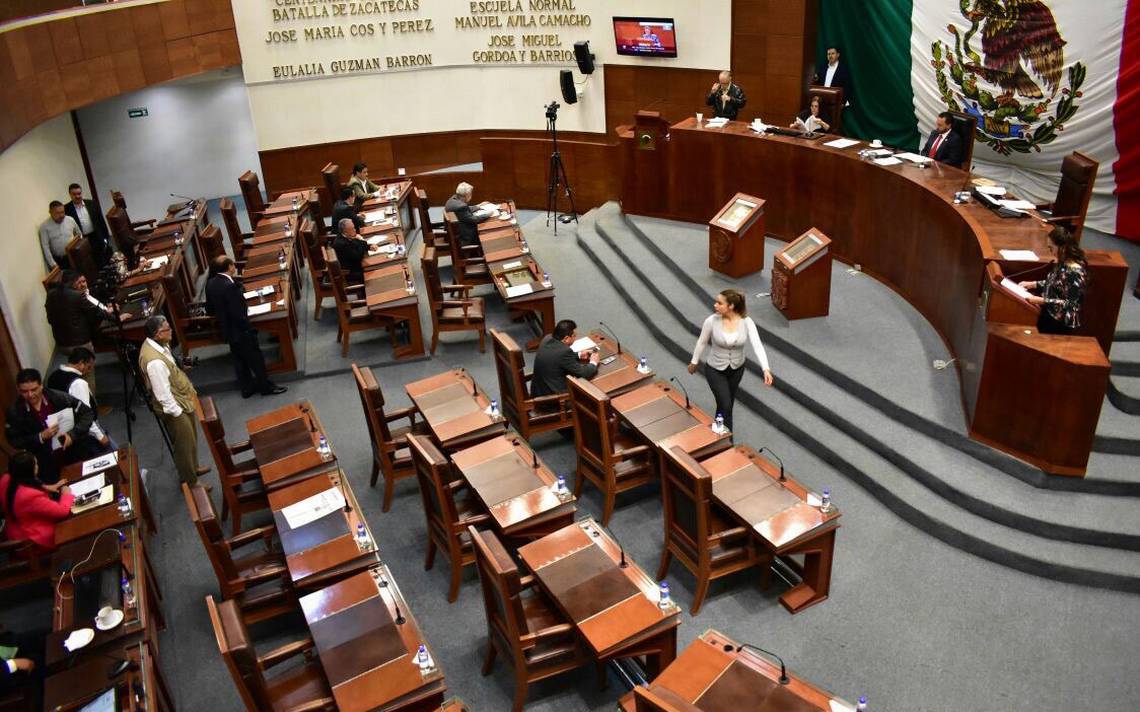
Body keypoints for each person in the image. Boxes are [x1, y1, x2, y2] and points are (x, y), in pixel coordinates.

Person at [688, 289, 774, 432]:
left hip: (737, 369)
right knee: (726, 404)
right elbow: (702, 342)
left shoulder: (747, 322)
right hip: (715, 369)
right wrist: (694, 362)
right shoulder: (711, 321)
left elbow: (757, 345)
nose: (715, 305)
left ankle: (718, 435)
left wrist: (766, 369)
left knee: (726, 404)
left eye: (719, 303)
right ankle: (728, 440)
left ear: (731, 306)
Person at [138, 316, 210, 487]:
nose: (171, 330)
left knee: (190, 438)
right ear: (157, 334)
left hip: (182, 400)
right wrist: (177, 412)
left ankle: (193, 468)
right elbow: (162, 394)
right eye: (167, 329)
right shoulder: (154, 361)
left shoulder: (159, 345)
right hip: (174, 408)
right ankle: (191, 483)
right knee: (183, 445)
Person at [204, 256, 287, 399]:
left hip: (228, 331)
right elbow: (238, 314)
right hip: (241, 331)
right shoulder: (229, 286)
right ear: (230, 267)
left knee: (239, 360)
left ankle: (247, 388)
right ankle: (265, 387)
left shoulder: (211, 283)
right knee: (256, 359)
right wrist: (249, 329)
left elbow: (210, 310)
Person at [5, 369, 95, 483]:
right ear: (18, 390)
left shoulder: (59, 398)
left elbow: (86, 413)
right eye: (24, 391)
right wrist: (40, 437)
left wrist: (72, 434)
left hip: (73, 454)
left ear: (41, 386)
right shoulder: (14, 412)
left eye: (34, 389)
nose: (30, 395)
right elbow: (14, 440)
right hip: (45, 465)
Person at [44, 270, 123, 394]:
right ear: (73, 284)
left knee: (75, 370)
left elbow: (50, 320)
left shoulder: (51, 294)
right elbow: (97, 312)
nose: (81, 285)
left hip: (61, 344)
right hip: (80, 343)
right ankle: (91, 404)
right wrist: (117, 319)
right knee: (87, 373)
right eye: (78, 282)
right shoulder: (77, 296)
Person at [1018, 227, 1088, 335]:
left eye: (1051, 248)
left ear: (1063, 248)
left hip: (1059, 323)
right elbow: (1055, 283)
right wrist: (1033, 284)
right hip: (1049, 314)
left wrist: (1041, 300)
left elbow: (1071, 305)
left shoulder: (1075, 272)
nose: (1051, 252)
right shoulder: (1063, 262)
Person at [0, 451, 73, 552]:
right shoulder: (30, 496)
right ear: (30, 470)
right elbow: (62, 511)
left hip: (15, 531)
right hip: (33, 541)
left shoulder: (6, 479)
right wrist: (66, 494)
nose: (38, 466)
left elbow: (25, 483)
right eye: (36, 464)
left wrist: (46, 487)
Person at [47, 347, 115, 453]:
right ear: (81, 363)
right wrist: (101, 437)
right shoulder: (78, 383)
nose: (88, 371)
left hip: (64, 429)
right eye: (88, 367)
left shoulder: (53, 376)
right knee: (113, 454)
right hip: (83, 433)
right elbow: (85, 413)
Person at [531, 320, 600, 399]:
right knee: (592, 393)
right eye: (574, 336)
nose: (575, 337)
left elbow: (556, 356)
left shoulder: (547, 338)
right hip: (552, 399)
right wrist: (593, 362)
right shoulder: (564, 352)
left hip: (539, 391)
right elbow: (584, 373)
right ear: (566, 338)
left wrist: (579, 354)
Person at [64, 183, 111, 267]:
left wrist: (106, 237)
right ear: (70, 195)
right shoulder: (67, 209)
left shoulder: (91, 203)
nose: (77, 196)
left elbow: (101, 221)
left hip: (96, 236)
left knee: (103, 260)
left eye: (79, 193)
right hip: (82, 240)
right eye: (74, 194)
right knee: (89, 262)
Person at [38, 200, 82, 270]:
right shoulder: (44, 227)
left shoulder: (70, 220)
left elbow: (79, 235)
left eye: (62, 212)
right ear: (50, 212)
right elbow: (45, 247)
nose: (61, 215)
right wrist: (53, 265)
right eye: (57, 213)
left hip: (75, 255)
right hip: (60, 261)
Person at [444, 182, 490, 247]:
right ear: (467, 195)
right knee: (486, 233)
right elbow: (474, 220)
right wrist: (488, 214)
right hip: (465, 238)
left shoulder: (453, 199)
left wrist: (478, 206)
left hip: (455, 233)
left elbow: (466, 209)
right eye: (471, 194)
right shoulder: (461, 206)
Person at [333, 218, 369, 284]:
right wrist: (361, 240)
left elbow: (358, 246)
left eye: (354, 228)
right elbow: (358, 257)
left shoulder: (345, 236)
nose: (355, 230)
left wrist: (368, 246)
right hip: (351, 273)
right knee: (374, 270)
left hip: (355, 265)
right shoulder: (342, 244)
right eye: (352, 229)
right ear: (345, 231)